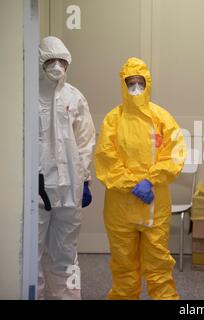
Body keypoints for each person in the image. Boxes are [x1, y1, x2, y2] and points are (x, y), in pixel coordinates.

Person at [94, 57, 186, 300]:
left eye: (140, 82)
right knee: (124, 267)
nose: (136, 88)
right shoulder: (113, 119)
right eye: (130, 83)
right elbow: (105, 158)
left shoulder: (161, 118)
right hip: (120, 206)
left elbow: (175, 154)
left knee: (158, 266)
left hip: (154, 204)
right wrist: (131, 183)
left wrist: (150, 179)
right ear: (123, 85)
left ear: (148, 83)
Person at [38, 36, 96, 300]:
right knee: (31, 253)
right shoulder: (26, 96)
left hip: (69, 191)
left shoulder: (74, 96)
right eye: (50, 60)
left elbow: (85, 141)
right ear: (40, 61)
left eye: (61, 60)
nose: (56, 66)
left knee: (67, 252)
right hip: (36, 193)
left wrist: (85, 179)